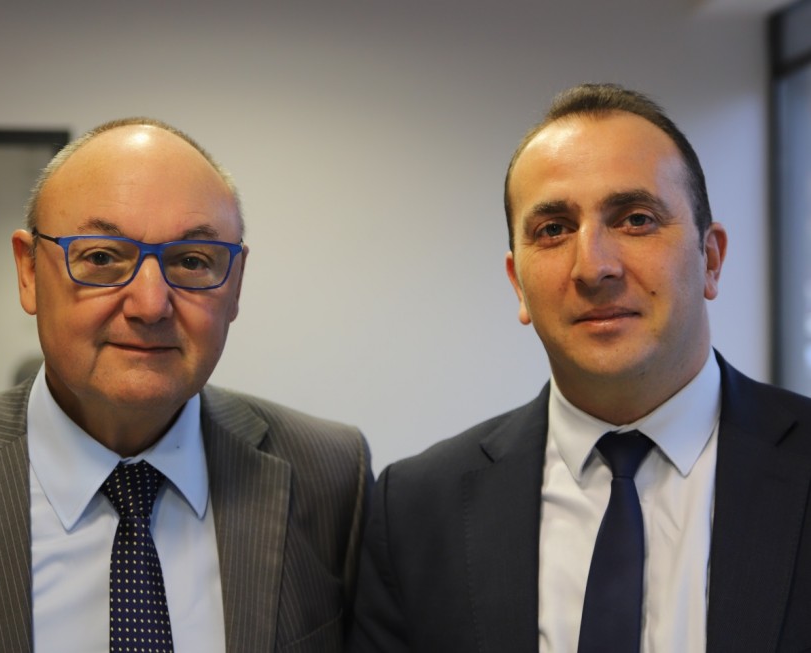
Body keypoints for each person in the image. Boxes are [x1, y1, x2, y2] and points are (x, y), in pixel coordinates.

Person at [347, 83, 811, 652]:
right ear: (518, 284)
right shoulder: (415, 511)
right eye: (554, 230)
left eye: (636, 219)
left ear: (710, 259)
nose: (593, 267)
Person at [0, 117, 371, 653]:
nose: (150, 305)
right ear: (28, 271)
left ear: (235, 286)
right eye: (101, 257)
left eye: (192, 262)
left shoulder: (331, 477)